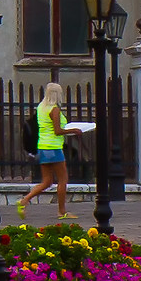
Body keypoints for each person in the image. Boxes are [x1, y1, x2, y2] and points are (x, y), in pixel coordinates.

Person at [17, 80, 88, 221]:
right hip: (54, 148)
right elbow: (57, 130)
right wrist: (74, 130)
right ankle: (62, 212)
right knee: (63, 180)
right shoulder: (54, 109)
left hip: (43, 147)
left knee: (47, 182)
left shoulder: (41, 107)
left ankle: (24, 201)